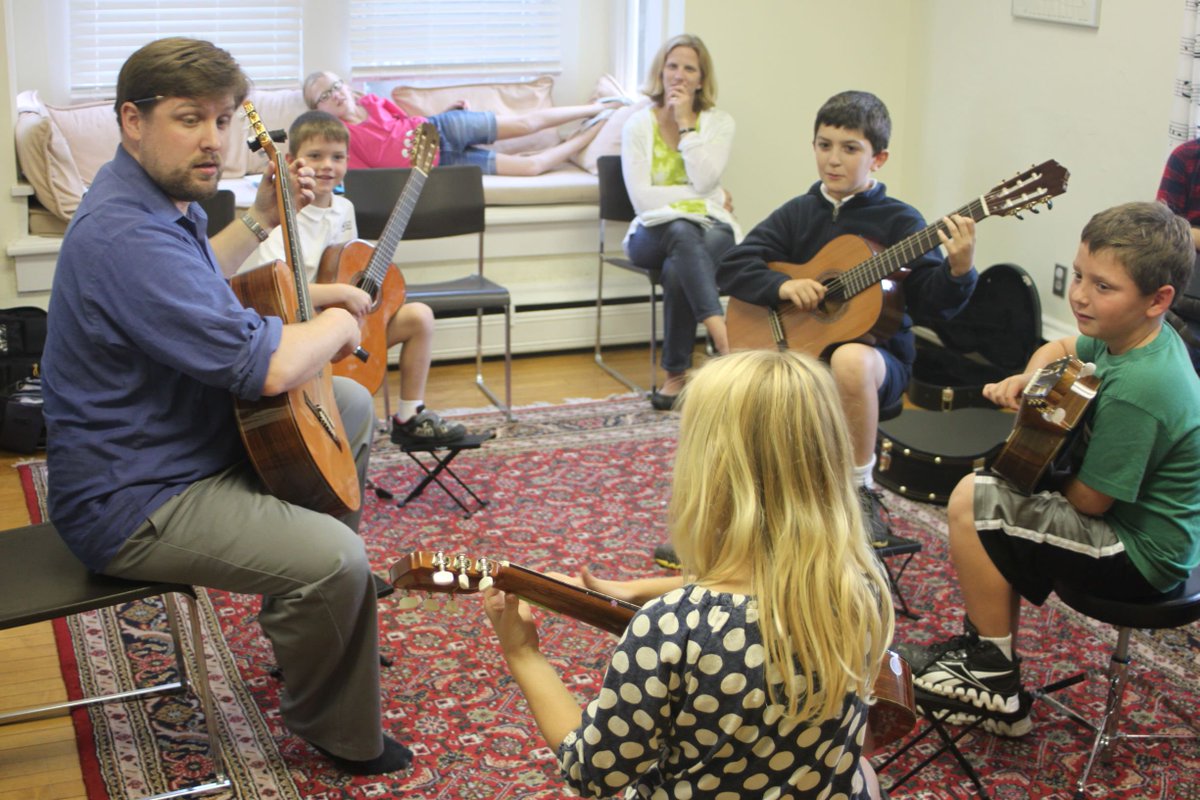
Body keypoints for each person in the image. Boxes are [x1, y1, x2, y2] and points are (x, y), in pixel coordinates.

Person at [40, 38, 412, 775]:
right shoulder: (126, 233)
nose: (212, 140)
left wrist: (262, 224)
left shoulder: (148, 200)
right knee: (338, 558)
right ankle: (337, 730)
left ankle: (307, 625)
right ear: (131, 121)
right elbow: (266, 366)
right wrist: (341, 322)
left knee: (345, 405)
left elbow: (195, 282)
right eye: (188, 119)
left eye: (220, 119)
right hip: (137, 494)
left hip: (181, 439)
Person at [483, 350, 895, 800]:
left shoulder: (670, 627)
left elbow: (592, 772)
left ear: (710, 473)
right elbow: (764, 582)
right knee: (865, 775)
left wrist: (522, 652)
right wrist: (633, 589)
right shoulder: (860, 584)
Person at [897, 201, 1200, 738]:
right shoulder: (1126, 338)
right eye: (1080, 275)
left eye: (1103, 287)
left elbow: (1089, 503)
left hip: (1142, 555)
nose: (1080, 294)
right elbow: (1061, 345)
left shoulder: (1144, 387)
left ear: (1159, 300)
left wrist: (1036, 477)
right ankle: (988, 655)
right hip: (1129, 523)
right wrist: (1033, 382)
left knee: (975, 499)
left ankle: (992, 674)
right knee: (992, 491)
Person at [715, 89, 978, 546]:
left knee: (850, 359)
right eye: (824, 145)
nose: (833, 160)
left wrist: (960, 270)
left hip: (880, 360)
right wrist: (782, 286)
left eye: (850, 148)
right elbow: (732, 267)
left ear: (879, 158)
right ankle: (730, 516)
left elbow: (933, 305)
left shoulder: (902, 222)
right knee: (736, 384)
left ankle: (860, 491)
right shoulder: (799, 213)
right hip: (801, 349)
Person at [240, 109, 465, 445]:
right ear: (291, 160)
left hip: (345, 323)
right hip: (297, 328)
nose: (327, 165)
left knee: (420, 316)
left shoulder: (344, 209)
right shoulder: (282, 214)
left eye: (337, 157)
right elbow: (278, 291)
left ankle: (409, 415)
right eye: (315, 155)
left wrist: (359, 294)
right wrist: (343, 295)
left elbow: (351, 265)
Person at [620, 34, 739, 411]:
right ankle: (724, 340)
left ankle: (676, 376)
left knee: (678, 266)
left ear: (702, 79)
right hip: (650, 232)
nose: (679, 75)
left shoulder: (719, 123)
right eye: (673, 66)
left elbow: (704, 179)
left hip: (712, 229)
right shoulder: (638, 125)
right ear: (661, 71)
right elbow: (641, 198)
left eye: (690, 68)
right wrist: (709, 198)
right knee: (678, 229)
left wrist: (687, 124)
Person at [304, 70, 630, 176]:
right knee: (530, 168)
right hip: (440, 163)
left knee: (526, 123)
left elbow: (407, 122)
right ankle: (599, 126)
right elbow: (368, 173)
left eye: (336, 86)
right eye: (324, 96)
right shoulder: (341, 140)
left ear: (346, 86)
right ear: (318, 110)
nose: (335, 95)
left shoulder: (371, 102)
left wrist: (449, 110)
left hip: (444, 127)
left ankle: (593, 109)